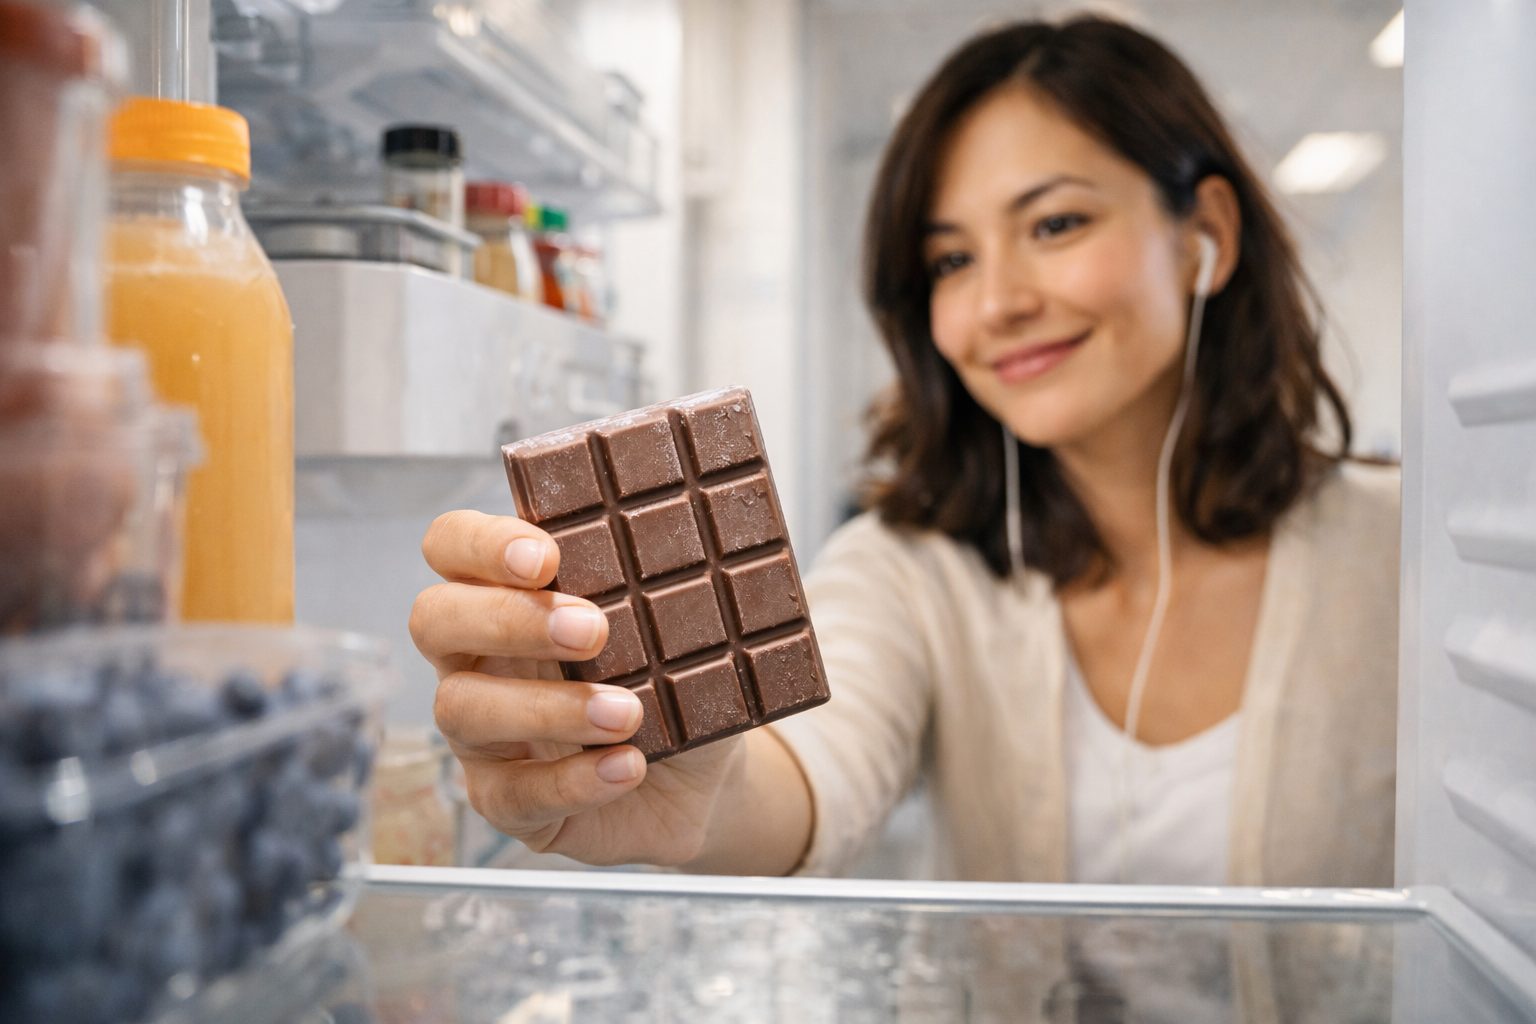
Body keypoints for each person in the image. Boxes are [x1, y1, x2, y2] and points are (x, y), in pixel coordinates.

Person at [409, 14, 1398, 887]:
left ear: (1203, 234)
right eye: (950, 259)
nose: (998, 302)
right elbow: (816, 764)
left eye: (1055, 222)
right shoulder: (914, 568)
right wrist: (691, 784)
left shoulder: (1404, 558)